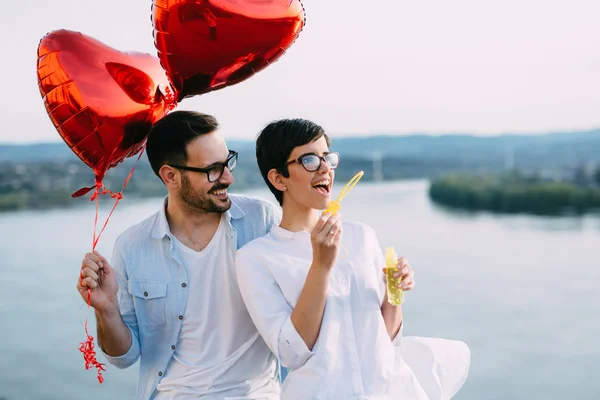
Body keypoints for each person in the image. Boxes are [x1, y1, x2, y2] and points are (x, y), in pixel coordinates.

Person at [235, 118, 471, 399]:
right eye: (310, 159)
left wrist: (394, 292)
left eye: (327, 157)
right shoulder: (256, 258)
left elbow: (387, 340)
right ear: (278, 178)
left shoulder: (362, 236)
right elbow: (291, 352)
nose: (325, 168)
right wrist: (321, 266)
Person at [77, 111, 283, 400]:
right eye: (213, 169)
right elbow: (123, 357)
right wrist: (106, 309)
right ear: (170, 176)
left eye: (228, 162)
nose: (229, 177)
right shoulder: (132, 246)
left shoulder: (262, 221)